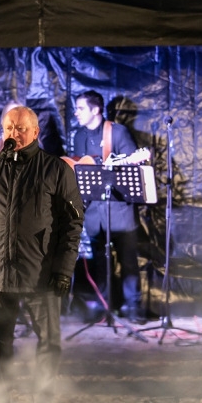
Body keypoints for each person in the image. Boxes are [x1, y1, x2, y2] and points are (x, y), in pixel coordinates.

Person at [0, 105, 83, 403]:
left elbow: (72, 224)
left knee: (48, 341)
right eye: (8, 128)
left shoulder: (56, 170)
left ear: (35, 132)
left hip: (40, 273)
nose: (13, 134)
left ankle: (43, 402)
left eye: (19, 129)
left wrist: (63, 271)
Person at [73, 89, 145, 323]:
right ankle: (105, 307)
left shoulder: (118, 132)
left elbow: (134, 166)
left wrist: (114, 168)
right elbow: (79, 169)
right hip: (94, 213)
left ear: (96, 110)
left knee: (128, 261)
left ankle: (133, 307)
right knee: (100, 263)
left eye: (81, 108)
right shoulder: (79, 136)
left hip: (120, 211)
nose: (76, 113)